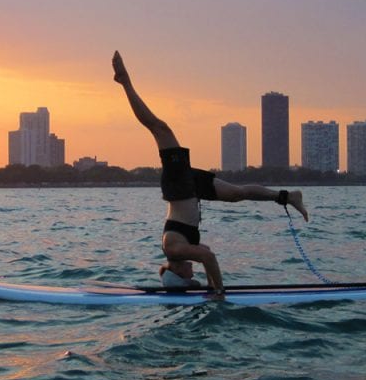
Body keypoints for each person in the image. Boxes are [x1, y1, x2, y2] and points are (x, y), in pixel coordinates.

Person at [112, 51, 309, 299]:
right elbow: (205, 254)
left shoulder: (173, 249)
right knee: (238, 194)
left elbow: (207, 257)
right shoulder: (182, 251)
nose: (192, 269)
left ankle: (125, 82)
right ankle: (287, 196)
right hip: (190, 189)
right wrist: (204, 286)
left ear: (179, 271)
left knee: (159, 128)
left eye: (189, 273)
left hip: (179, 185)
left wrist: (218, 291)